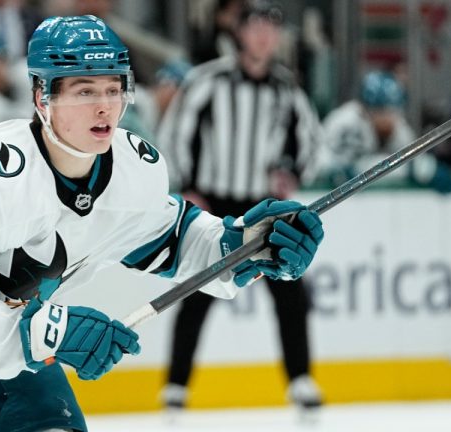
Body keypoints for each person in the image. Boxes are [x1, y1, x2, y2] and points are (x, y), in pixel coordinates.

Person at [0, 14, 325, 431]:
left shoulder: (134, 168)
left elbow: (174, 238)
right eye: (83, 90)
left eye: (114, 88)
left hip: (2, 345)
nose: (105, 108)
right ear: (41, 97)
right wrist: (52, 331)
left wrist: (246, 244)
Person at [157, 0, 325, 411]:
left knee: (289, 292)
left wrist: (294, 173)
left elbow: (312, 141)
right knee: (197, 290)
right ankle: (177, 384)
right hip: (215, 201)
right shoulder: (209, 79)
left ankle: (300, 379)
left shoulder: (286, 87)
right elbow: (176, 131)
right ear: (239, 31)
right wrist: (187, 186)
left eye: (272, 27)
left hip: (262, 204)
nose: (265, 35)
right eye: (256, 25)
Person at [314, 70, 451, 193]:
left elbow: (412, 160)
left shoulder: (397, 125)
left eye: (393, 110)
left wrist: (425, 167)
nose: (390, 118)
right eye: (384, 111)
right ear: (369, 109)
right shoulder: (347, 123)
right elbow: (349, 172)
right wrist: (413, 169)